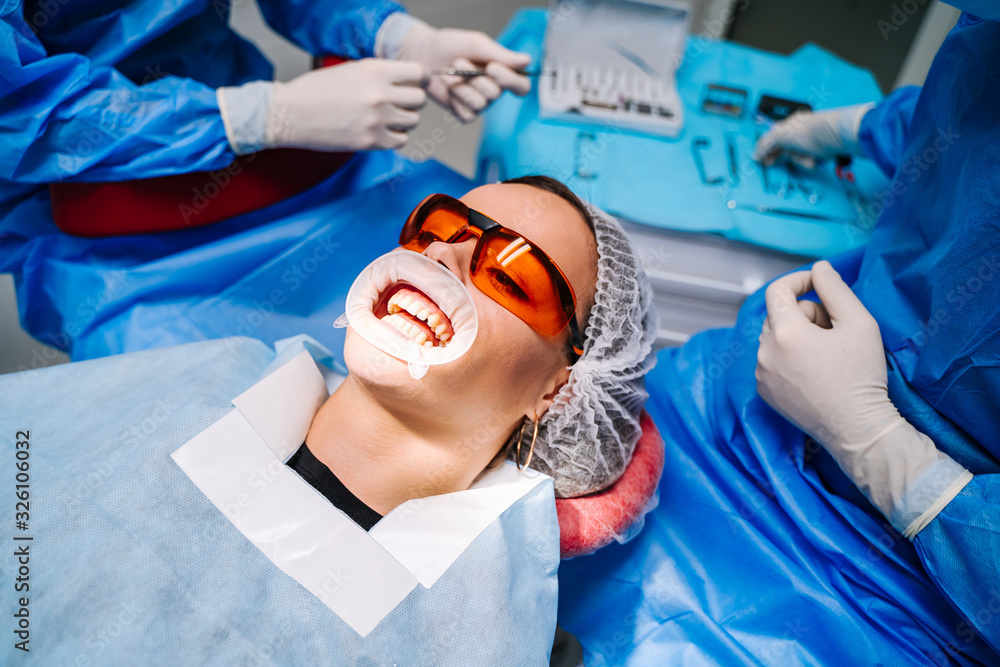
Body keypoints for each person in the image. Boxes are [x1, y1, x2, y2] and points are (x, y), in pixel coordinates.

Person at [0, 176, 659, 662]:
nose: (444, 258)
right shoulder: (187, 387)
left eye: (514, 276)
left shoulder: (496, 632)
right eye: (438, 228)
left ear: (559, 390)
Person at [555, 3, 999, 663]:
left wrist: (885, 450)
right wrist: (870, 127)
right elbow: (970, 111)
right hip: (741, 401)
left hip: (916, 587)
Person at [0, 0, 530, 184]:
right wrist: (260, 116)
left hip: (268, 156)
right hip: (90, 209)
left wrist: (395, 35)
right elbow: (24, 119)